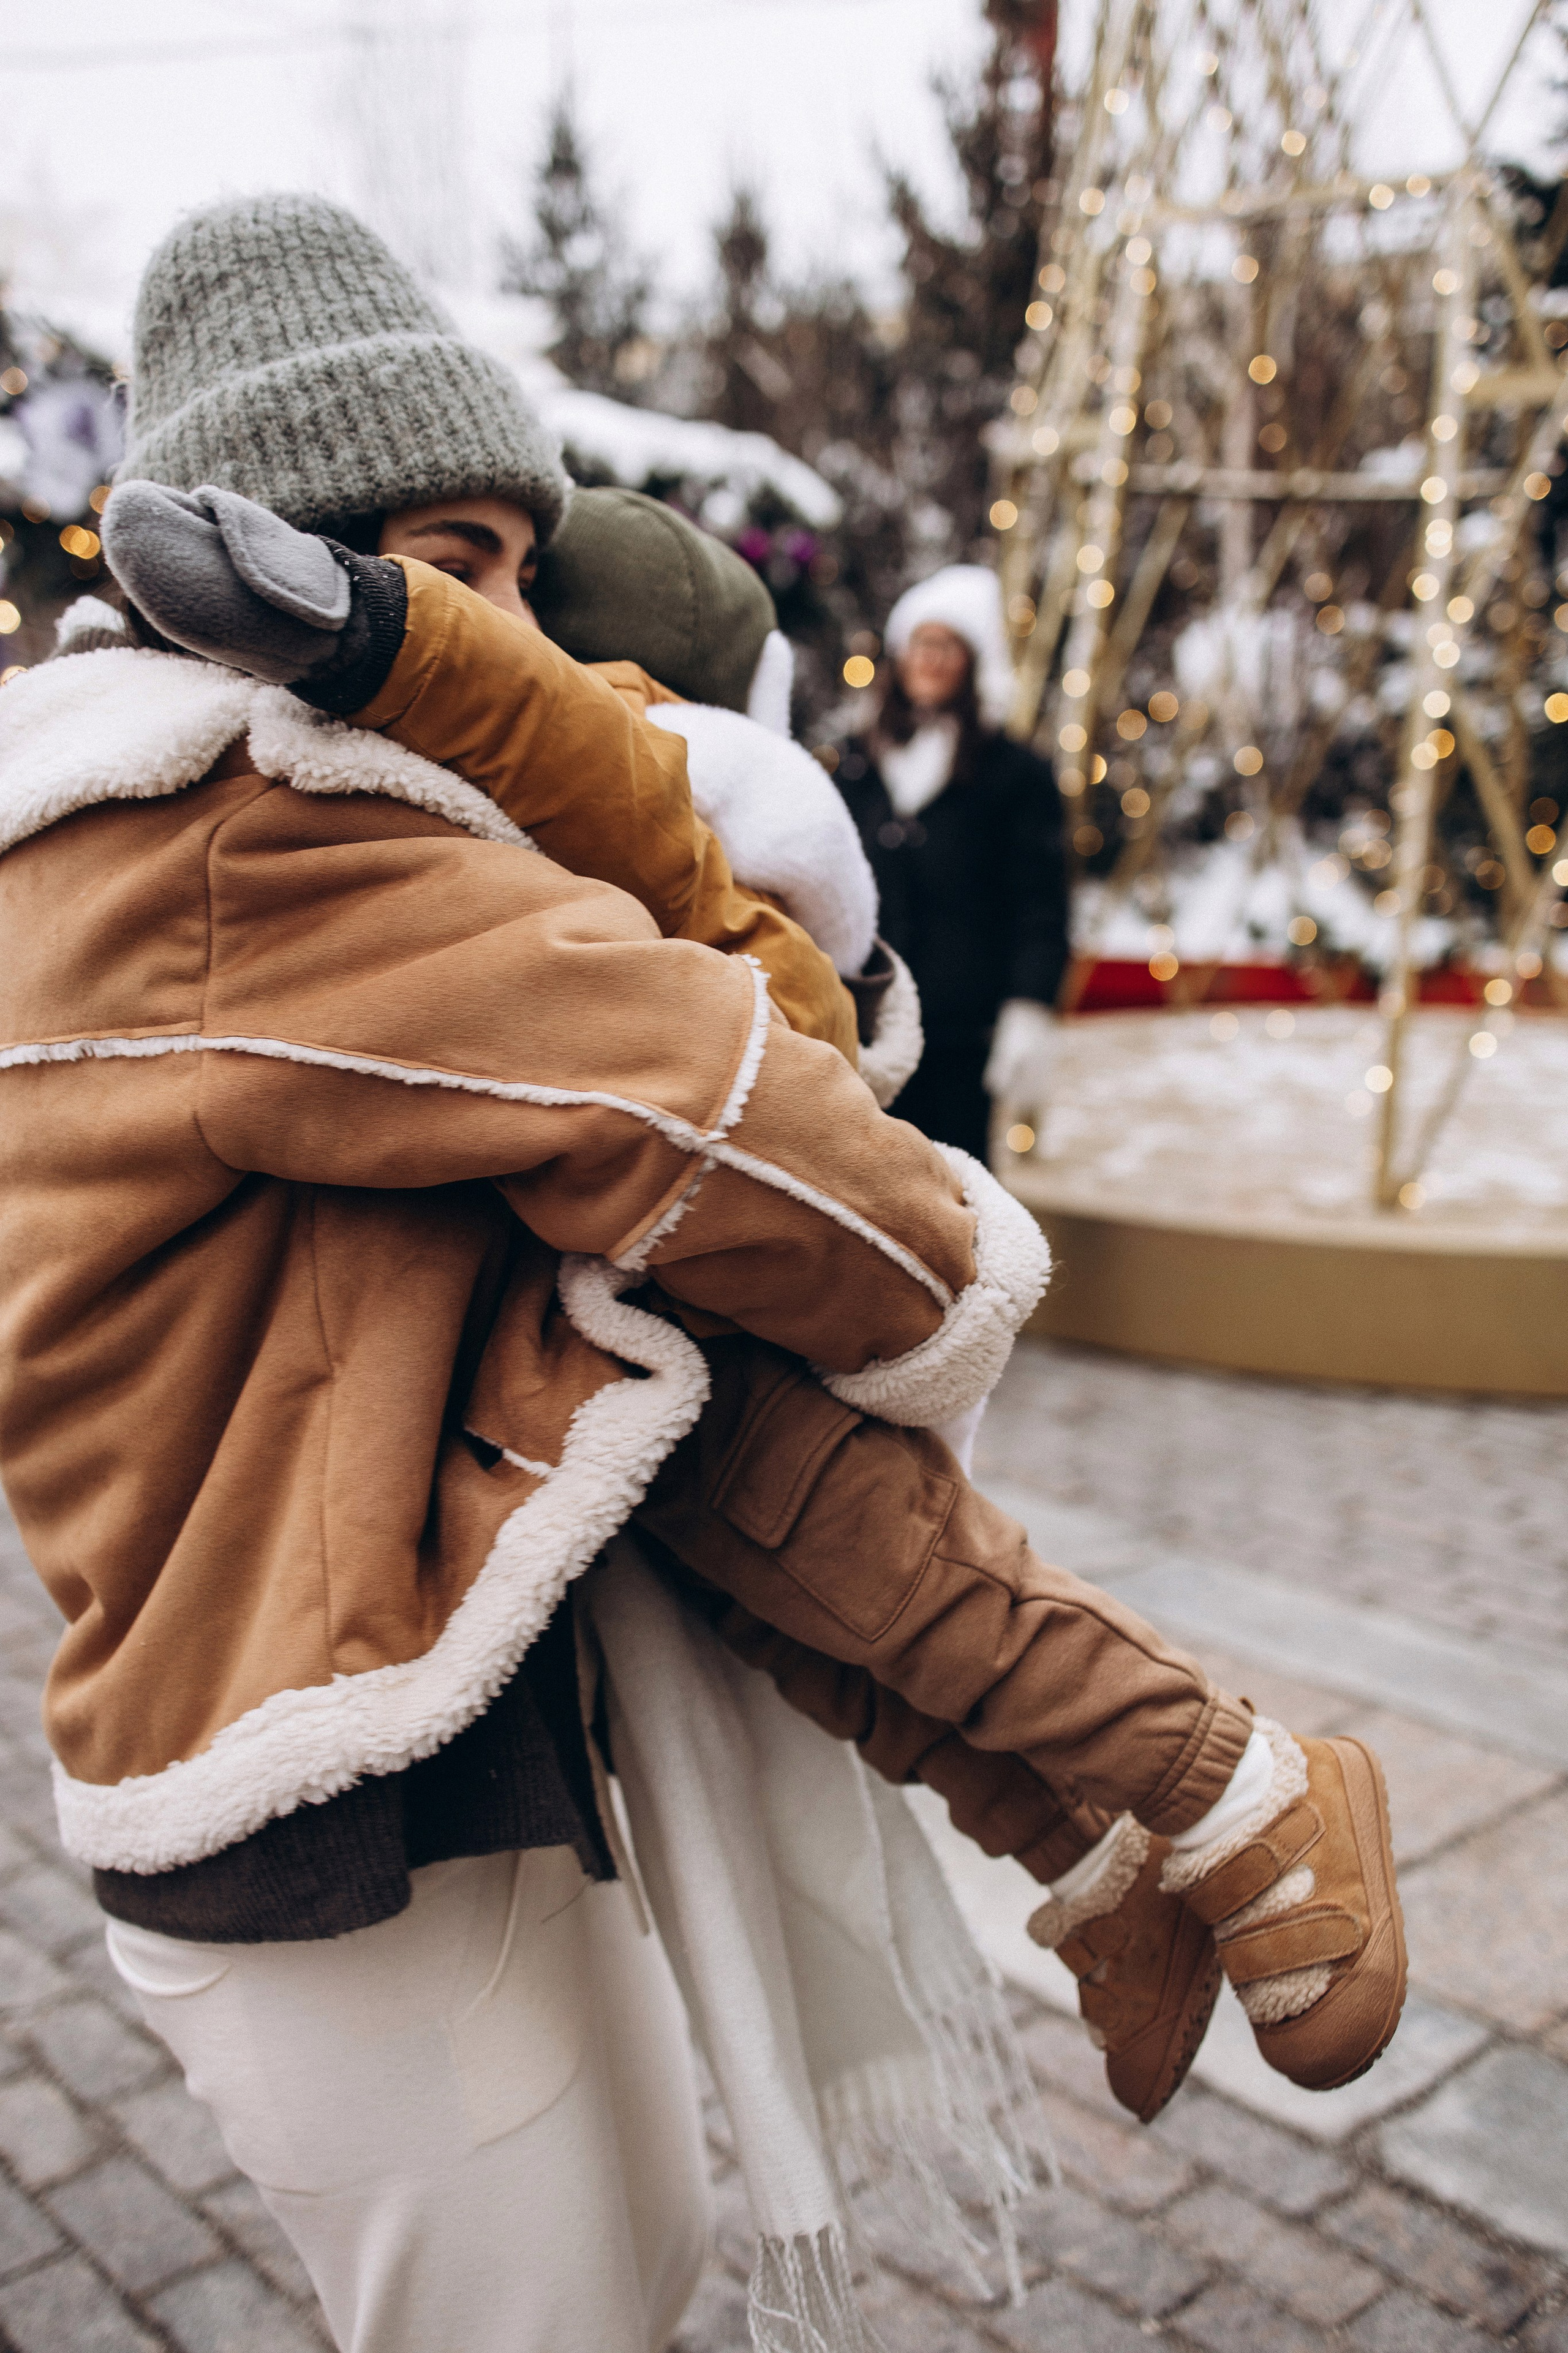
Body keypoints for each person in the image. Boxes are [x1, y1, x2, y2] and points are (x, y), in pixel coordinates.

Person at [0, 194, 1405, 2353]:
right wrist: (943, 1240)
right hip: (329, 1791)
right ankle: (1206, 1793)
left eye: (507, 575)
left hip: (433, 1703)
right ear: (280, 581)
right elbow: (819, 1164)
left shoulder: (195, 824)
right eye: (438, 579)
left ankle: (1132, 1826)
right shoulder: (260, 835)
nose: (501, 643)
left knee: (632, 2271)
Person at [832, 564, 1069, 1160]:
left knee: (955, 1185)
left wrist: (1029, 1008)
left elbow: (1041, 903)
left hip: (963, 1029)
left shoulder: (1014, 773)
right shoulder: (857, 763)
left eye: (947, 645)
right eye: (920, 642)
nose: (930, 659)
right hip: (865, 1021)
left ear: (973, 660)